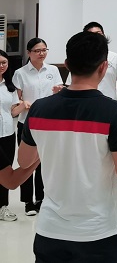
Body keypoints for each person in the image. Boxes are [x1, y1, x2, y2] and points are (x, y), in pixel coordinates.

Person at [17, 31, 117, 263]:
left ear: (67, 65)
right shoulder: (114, 112)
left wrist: (54, 145)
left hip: (49, 231)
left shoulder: (40, 109)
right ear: (104, 67)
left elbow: (24, 161)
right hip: (98, 232)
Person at [12, 37, 63, 216]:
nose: (41, 53)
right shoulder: (20, 73)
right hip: (27, 122)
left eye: (44, 50)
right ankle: (28, 201)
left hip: (48, 123)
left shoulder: (53, 70)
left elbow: (59, 93)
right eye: (37, 51)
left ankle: (42, 198)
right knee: (26, 163)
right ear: (29, 53)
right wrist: (22, 103)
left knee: (45, 162)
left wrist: (59, 92)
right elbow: (16, 99)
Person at [1, 49, 30, 222]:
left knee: (7, 171)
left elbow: (12, 112)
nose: (2, 66)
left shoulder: (9, 86)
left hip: (7, 134)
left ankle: (2, 206)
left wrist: (23, 106)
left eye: (4, 62)